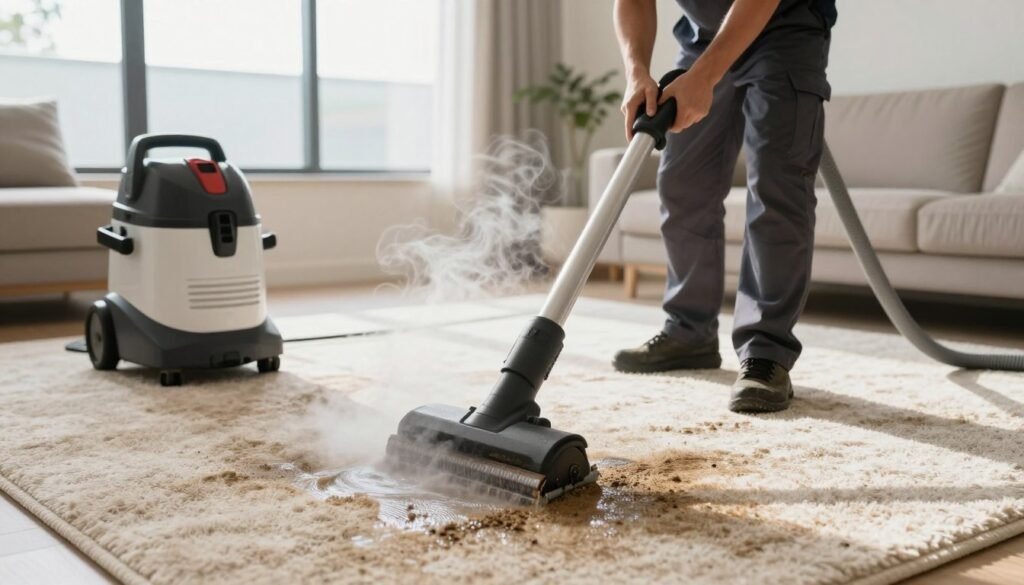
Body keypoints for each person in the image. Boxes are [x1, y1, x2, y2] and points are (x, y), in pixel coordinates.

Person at [611, 0, 837, 413]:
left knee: (776, 187)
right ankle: (688, 331)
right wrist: (636, 72)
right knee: (683, 182)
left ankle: (765, 353)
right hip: (703, 35)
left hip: (785, 29)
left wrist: (707, 76)